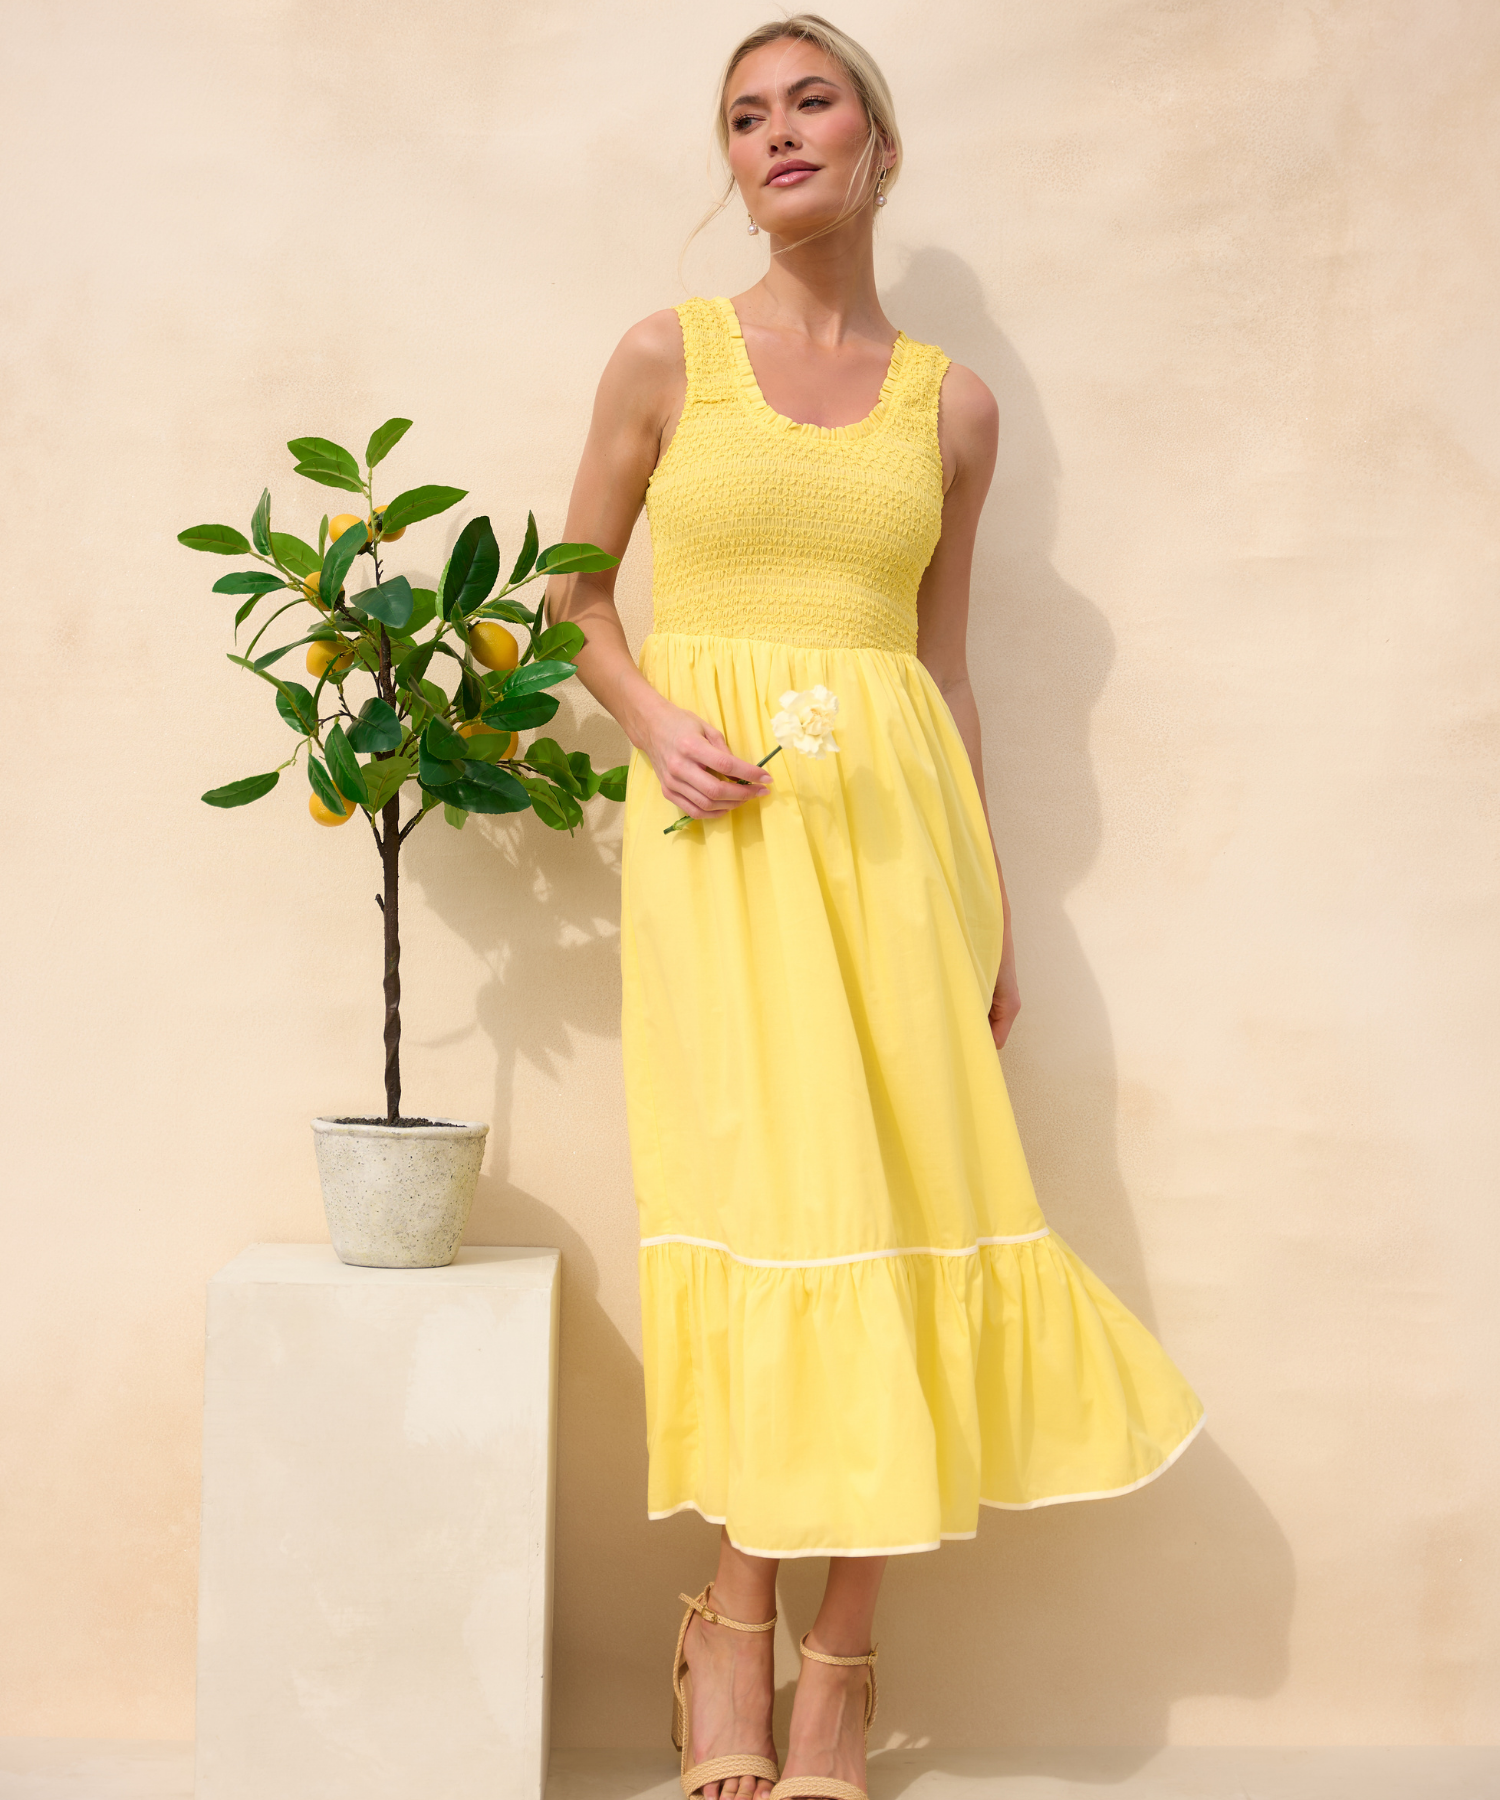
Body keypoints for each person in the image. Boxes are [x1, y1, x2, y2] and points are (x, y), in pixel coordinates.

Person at [542, 16, 1205, 1800]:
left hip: (903, 846)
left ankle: (841, 1658)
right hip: (726, 847)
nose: (775, 135)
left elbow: (946, 666)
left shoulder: (952, 407)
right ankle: (731, 1631)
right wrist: (657, 720)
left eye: (808, 101)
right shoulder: (662, 358)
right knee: (779, 1210)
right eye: (743, 116)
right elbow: (568, 590)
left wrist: (986, 913)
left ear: (877, 143)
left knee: (910, 1213)